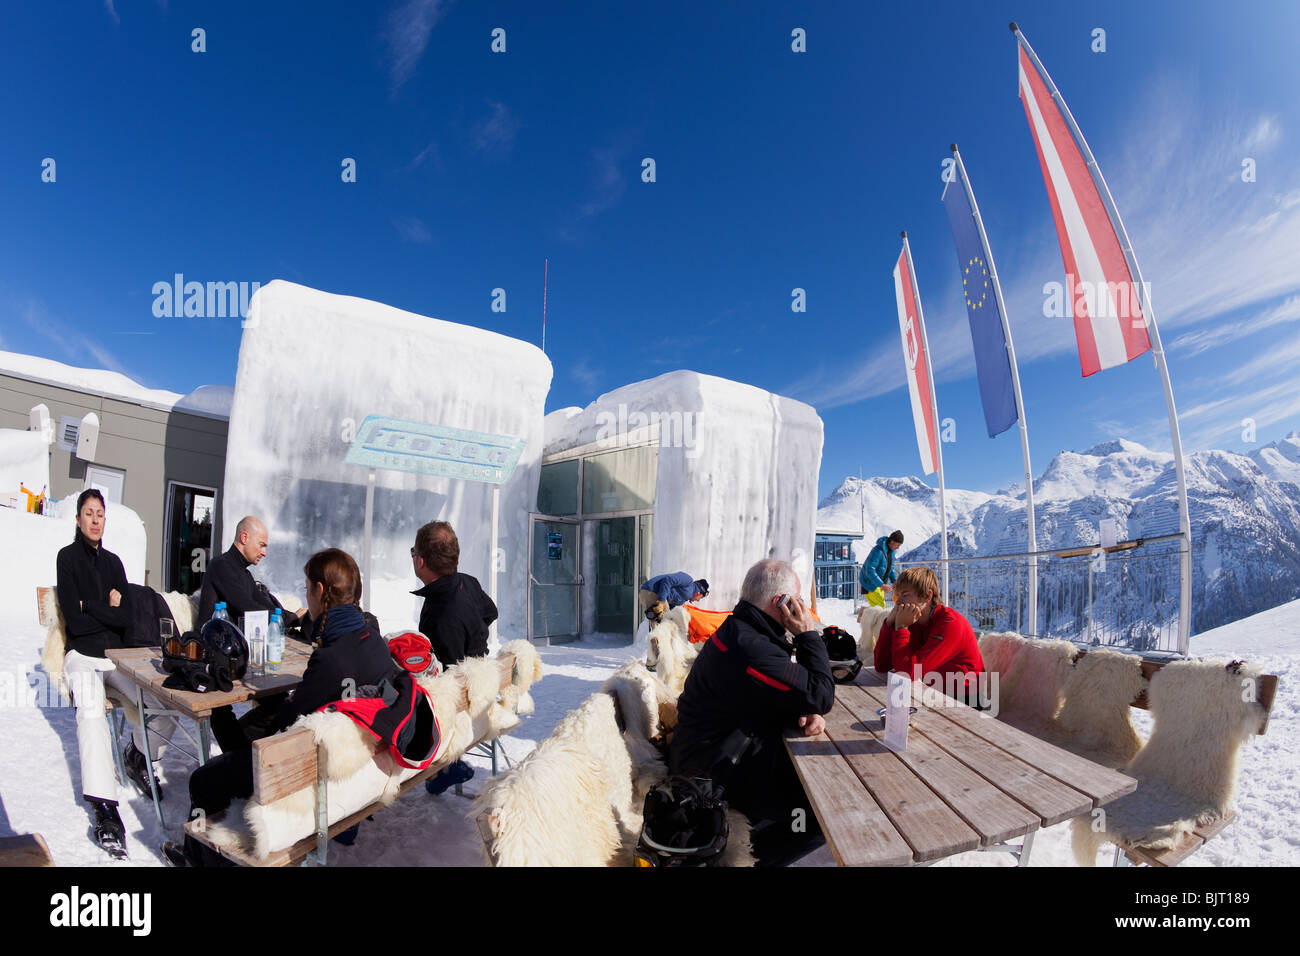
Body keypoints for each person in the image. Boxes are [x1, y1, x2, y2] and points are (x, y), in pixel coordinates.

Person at [163, 548, 391, 866]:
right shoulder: (374, 641)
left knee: (203, 779)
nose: (306, 596)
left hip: (305, 774)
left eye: (307, 587)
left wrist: (227, 717)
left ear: (320, 591)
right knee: (255, 728)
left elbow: (281, 732)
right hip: (352, 761)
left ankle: (199, 858)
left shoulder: (331, 658)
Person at [669, 559, 834, 866]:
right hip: (715, 778)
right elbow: (821, 694)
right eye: (797, 600)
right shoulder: (751, 648)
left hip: (715, 752)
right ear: (781, 603)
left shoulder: (740, 630)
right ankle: (752, 858)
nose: (801, 606)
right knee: (817, 814)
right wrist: (806, 635)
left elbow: (771, 693)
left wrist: (799, 706)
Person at [57, 488, 177, 858]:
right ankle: (105, 809)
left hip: (115, 657)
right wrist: (101, 607)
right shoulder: (67, 558)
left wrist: (89, 605)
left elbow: (126, 618)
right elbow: (74, 621)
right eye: (89, 513)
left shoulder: (114, 563)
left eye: (100, 514)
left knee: (165, 699)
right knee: (91, 712)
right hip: (80, 656)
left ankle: (140, 754)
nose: (95, 520)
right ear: (78, 519)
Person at [196, 515, 305, 751]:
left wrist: (293, 617)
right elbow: (248, 607)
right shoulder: (221, 565)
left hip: (237, 656)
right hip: (214, 659)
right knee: (224, 708)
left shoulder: (244, 573)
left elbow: (265, 607)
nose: (264, 552)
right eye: (262, 544)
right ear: (244, 538)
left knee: (278, 701)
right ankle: (237, 752)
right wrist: (290, 618)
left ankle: (238, 750)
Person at [410, 520, 497, 794]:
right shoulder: (467, 583)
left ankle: (445, 766)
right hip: (480, 685)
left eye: (413, 552)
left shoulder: (441, 611)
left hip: (457, 703)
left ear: (421, 561)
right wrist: (474, 632)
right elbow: (491, 611)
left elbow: (443, 673)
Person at [874, 566, 983, 702]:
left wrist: (901, 628)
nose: (899, 602)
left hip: (963, 698)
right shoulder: (914, 619)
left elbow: (908, 673)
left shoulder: (950, 623)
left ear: (927, 596)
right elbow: (881, 665)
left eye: (906, 595)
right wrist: (889, 624)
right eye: (898, 596)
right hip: (931, 690)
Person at [639, 571, 709, 623]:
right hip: (651, 590)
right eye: (701, 598)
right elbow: (668, 580)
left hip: (649, 594)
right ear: (698, 593)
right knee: (667, 622)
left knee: (659, 621)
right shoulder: (688, 580)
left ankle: (656, 640)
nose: (698, 600)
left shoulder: (682, 599)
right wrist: (661, 601)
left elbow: (669, 607)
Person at [859, 530, 904, 608]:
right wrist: (882, 585)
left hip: (878, 584)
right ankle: (864, 615)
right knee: (879, 610)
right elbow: (870, 569)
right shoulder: (878, 551)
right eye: (898, 545)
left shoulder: (891, 552)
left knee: (878, 609)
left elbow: (890, 568)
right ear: (892, 542)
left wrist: (895, 581)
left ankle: (863, 615)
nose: (898, 547)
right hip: (870, 584)